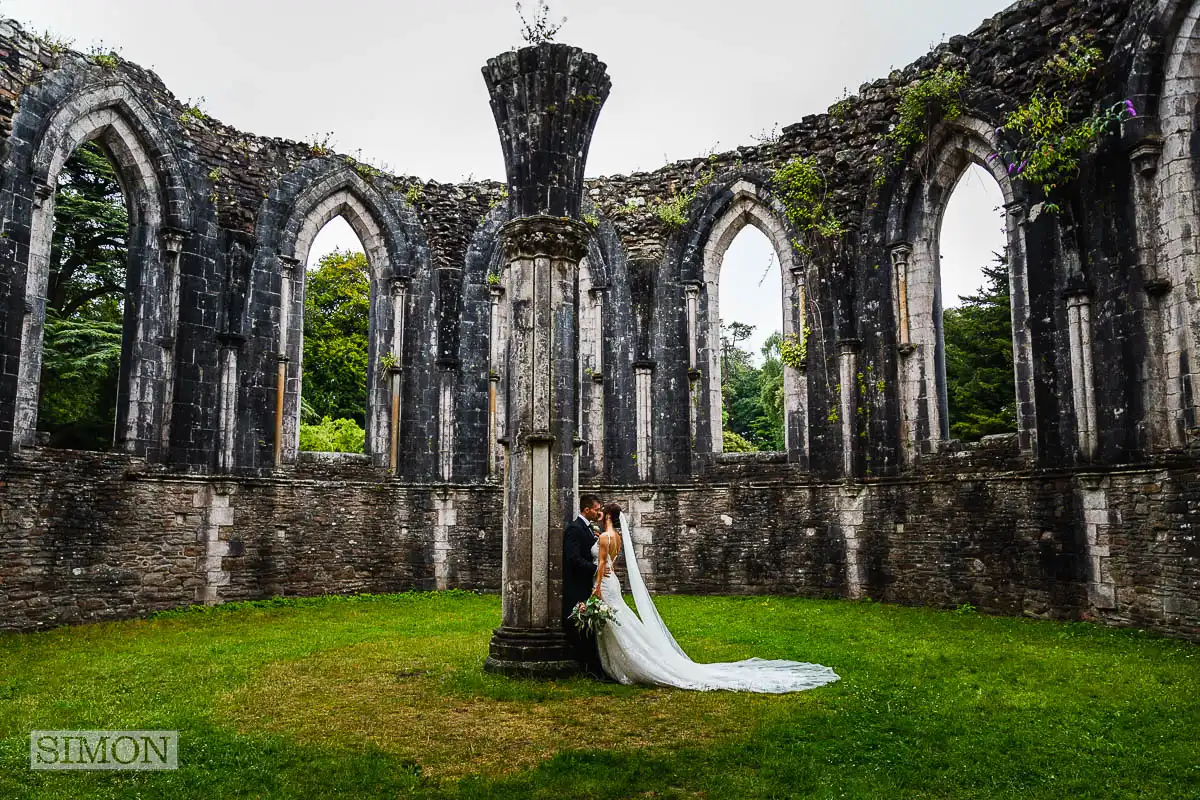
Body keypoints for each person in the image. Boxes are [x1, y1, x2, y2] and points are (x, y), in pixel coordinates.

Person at [591, 503, 840, 693]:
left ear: (609, 517)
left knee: (616, 618)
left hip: (605, 581)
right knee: (619, 617)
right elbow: (614, 560)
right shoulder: (618, 538)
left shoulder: (604, 537)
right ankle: (623, 661)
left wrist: (596, 589)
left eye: (602, 514)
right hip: (615, 581)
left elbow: (603, 563)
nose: (600, 516)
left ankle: (629, 665)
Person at [562, 493, 606, 677]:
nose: (599, 512)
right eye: (596, 510)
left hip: (588, 584)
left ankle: (592, 666)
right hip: (578, 585)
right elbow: (573, 559)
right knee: (582, 627)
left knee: (589, 626)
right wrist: (595, 569)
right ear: (586, 509)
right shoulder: (574, 528)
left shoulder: (589, 528)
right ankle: (587, 668)